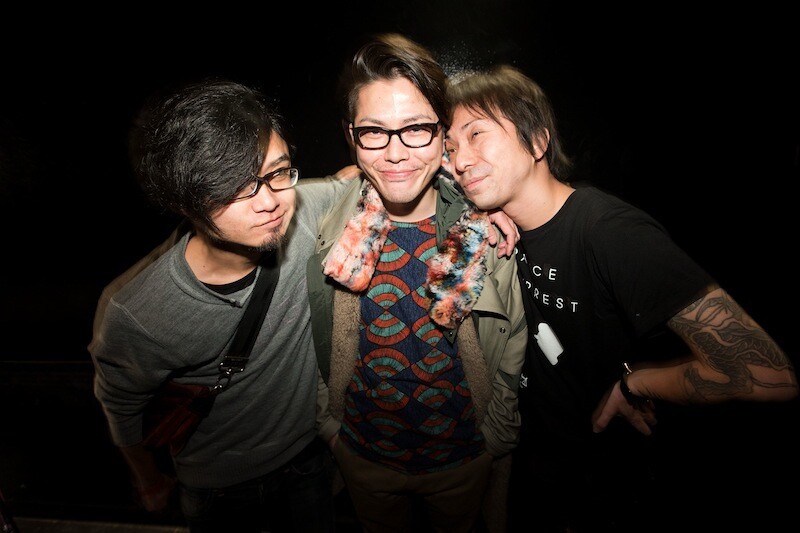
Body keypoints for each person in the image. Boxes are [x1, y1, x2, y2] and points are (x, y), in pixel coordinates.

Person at [443, 64, 799, 532]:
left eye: (476, 135)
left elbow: (767, 374)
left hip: (600, 478)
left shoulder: (609, 231)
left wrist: (637, 384)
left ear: (537, 141)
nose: (460, 160)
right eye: (451, 148)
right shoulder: (496, 224)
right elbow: (387, 179)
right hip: (531, 466)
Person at [88, 79, 358, 533]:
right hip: (219, 490)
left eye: (278, 172)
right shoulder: (138, 312)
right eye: (235, 187)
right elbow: (121, 407)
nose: (270, 202)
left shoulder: (302, 210)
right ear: (185, 201)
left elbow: (350, 180)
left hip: (310, 460)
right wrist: (149, 481)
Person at [308, 34, 527, 533]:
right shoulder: (327, 222)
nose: (395, 153)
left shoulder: (483, 230)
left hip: (463, 462)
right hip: (363, 458)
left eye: (416, 129)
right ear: (351, 136)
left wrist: (494, 441)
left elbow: (512, 337)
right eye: (374, 132)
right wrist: (330, 428)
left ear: (441, 134)